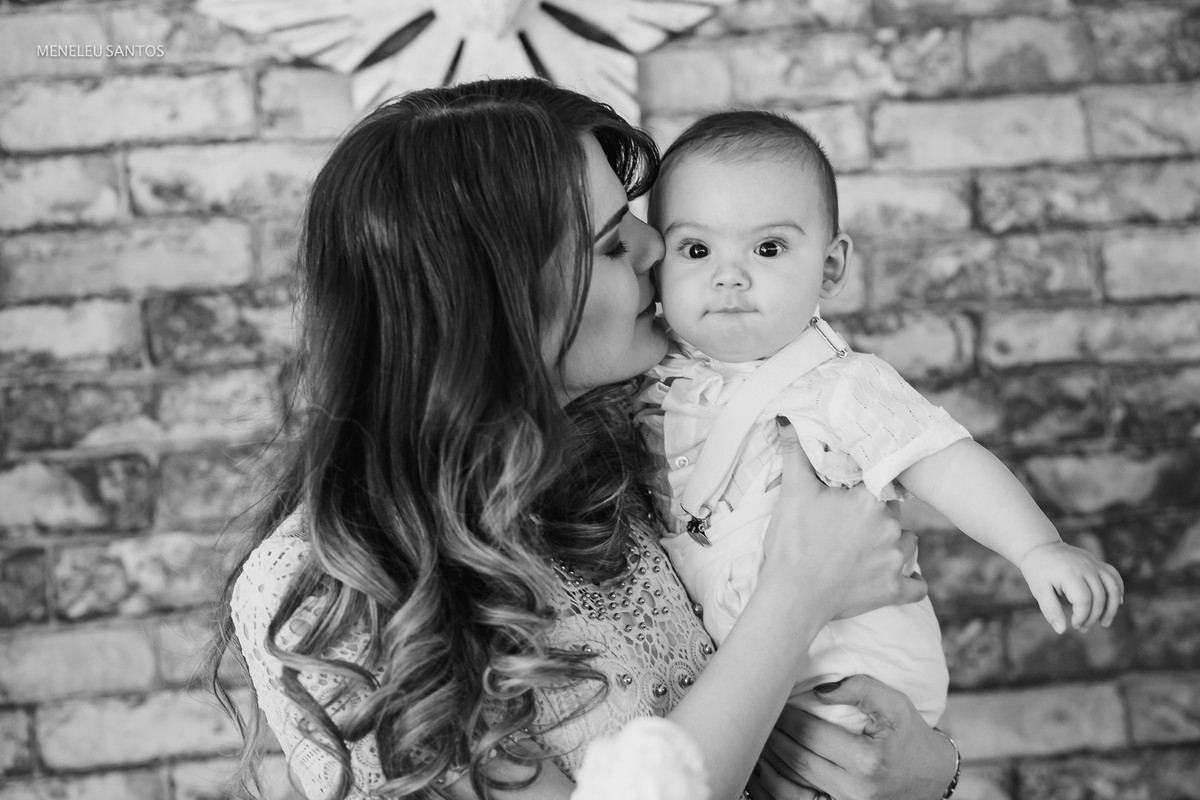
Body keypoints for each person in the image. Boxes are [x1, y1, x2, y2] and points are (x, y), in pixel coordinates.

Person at [208, 79, 960, 800]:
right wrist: (797, 590)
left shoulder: (635, 445)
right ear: (491, 306)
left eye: (633, 215)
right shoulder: (333, 590)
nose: (658, 248)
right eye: (609, 246)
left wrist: (930, 772)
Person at [639, 110, 1126, 732]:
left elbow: (946, 462)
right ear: (658, 268)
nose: (728, 274)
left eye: (768, 247)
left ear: (831, 267)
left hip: (855, 674)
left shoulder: (841, 385)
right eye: (696, 249)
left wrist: (1037, 547)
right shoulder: (656, 380)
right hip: (741, 680)